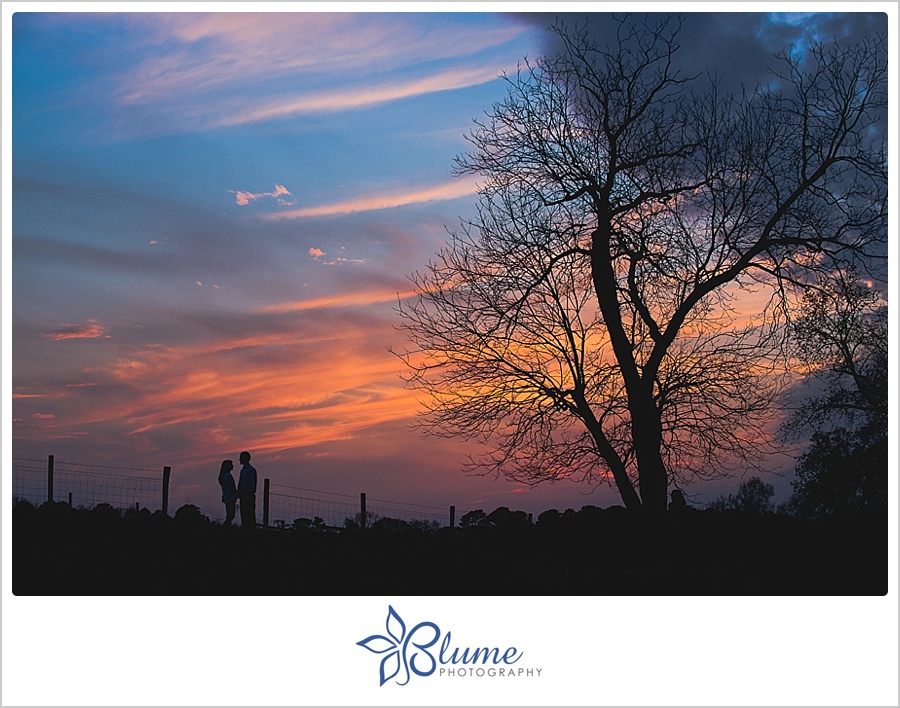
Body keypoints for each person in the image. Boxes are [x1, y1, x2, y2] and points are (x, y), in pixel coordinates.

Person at [237, 450, 257, 531]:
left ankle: (250, 532)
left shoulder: (251, 470)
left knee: (249, 516)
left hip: (248, 497)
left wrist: (246, 495)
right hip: (243, 497)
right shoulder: (243, 470)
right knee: (244, 516)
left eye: (241, 458)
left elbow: (251, 485)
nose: (239, 460)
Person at [218, 459, 237, 526]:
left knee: (229, 515)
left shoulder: (224, 476)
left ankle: (226, 527)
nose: (233, 466)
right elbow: (232, 488)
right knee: (231, 515)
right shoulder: (228, 476)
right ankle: (226, 527)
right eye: (231, 465)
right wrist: (235, 495)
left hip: (227, 497)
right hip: (230, 497)